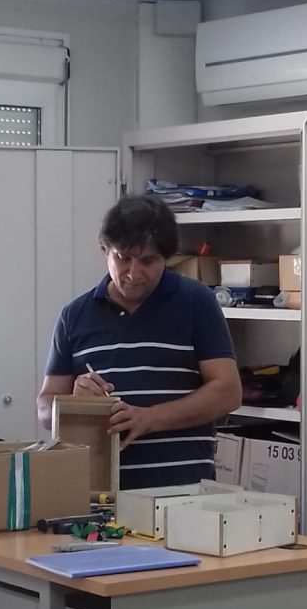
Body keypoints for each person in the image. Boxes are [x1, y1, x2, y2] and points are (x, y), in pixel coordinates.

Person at [37, 194, 242, 490]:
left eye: (148, 261)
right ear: (105, 250)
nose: (134, 273)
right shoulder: (74, 316)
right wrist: (71, 401)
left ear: (166, 258)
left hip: (183, 494)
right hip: (98, 497)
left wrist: (150, 419)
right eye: (123, 258)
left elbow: (228, 392)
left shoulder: (197, 303)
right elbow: (44, 410)